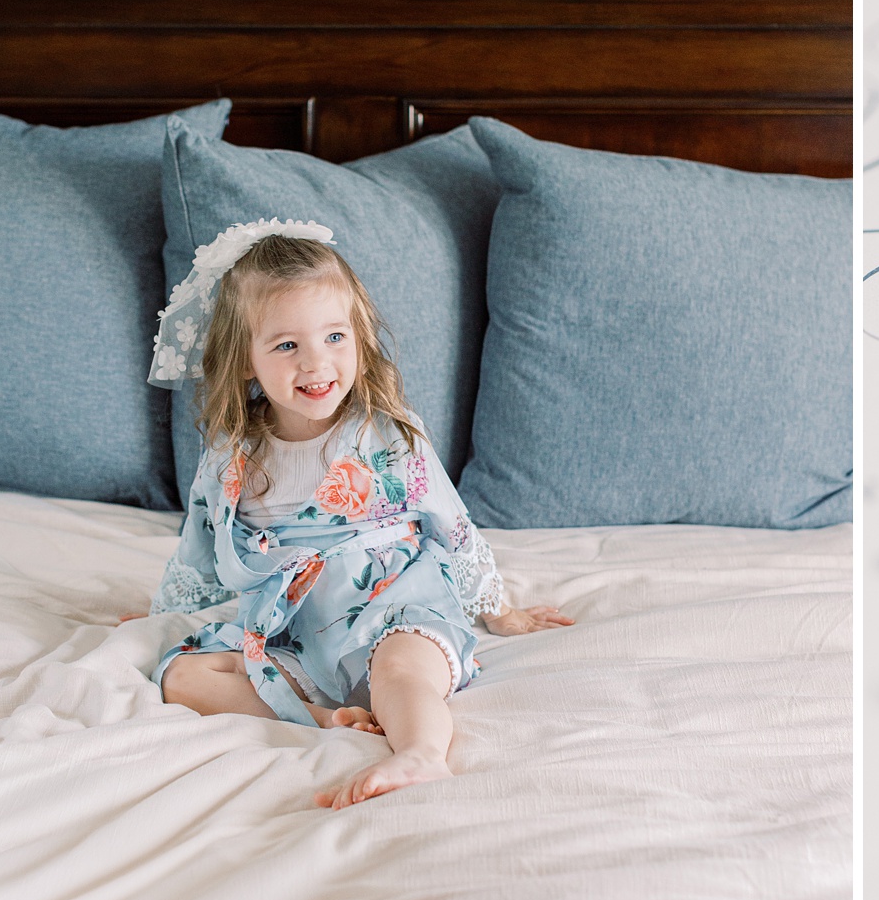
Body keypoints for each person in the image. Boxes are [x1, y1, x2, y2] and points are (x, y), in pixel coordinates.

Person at [137, 219, 572, 809]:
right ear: (245, 361)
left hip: (394, 604)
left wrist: (498, 609)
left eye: (335, 338)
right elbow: (203, 539)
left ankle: (419, 754)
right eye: (287, 345)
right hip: (296, 629)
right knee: (181, 676)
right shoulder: (233, 453)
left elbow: (451, 522)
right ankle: (323, 718)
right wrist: (164, 611)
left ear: (359, 339)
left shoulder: (386, 435)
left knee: (403, 668)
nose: (317, 364)